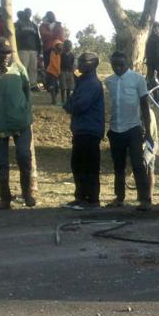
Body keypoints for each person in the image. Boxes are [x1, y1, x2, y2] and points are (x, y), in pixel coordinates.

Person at [0, 38, 37, 209]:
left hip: (21, 122)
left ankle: (27, 194)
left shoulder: (19, 68)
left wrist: (25, 112)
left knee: (24, 157)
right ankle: (5, 199)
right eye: (2, 52)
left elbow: (27, 92)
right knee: (1, 162)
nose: (6, 56)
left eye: (8, 52)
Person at [104, 52, 153, 211]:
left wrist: (148, 132)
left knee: (138, 164)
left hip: (133, 127)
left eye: (121, 65)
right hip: (115, 128)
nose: (118, 68)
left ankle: (145, 199)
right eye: (115, 65)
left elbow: (145, 106)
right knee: (118, 166)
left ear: (127, 64)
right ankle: (119, 197)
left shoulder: (138, 79)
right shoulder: (109, 81)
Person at [63, 52, 105, 209]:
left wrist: (69, 105)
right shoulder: (83, 81)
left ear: (93, 64)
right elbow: (72, 101)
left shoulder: (92, 83)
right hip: (81, 129)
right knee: (78, 164)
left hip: (90, 129)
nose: (78, 65)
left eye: (82, 62)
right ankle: (80, 197)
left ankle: (92, 200)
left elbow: (78, 105)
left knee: (89, 166)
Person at [14, 8, 41, 90]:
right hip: (23, 48)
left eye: (30, 13)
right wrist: (25, 33)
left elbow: (37, 38)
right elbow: (16, 36)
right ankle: (22, 84)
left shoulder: (34, 25)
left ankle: (33, 85)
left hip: (33, 49)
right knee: (23, 67)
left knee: (33, 68)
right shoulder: (18, 23)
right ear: (24, 13)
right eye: (27, 13)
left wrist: (39, 49)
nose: (28, 14)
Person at [45, 41, 62, 105]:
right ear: (56, 45)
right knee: (52, 87)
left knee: (56, 88)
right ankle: (54, 101)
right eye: (59, 44)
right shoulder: (53, 52)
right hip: (51, 72)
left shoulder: (59, 53)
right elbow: (52, 62)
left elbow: (58, 63)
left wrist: (58, 71)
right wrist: (58, 69)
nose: (60, 46)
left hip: (56, 73)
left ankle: (53, 100)